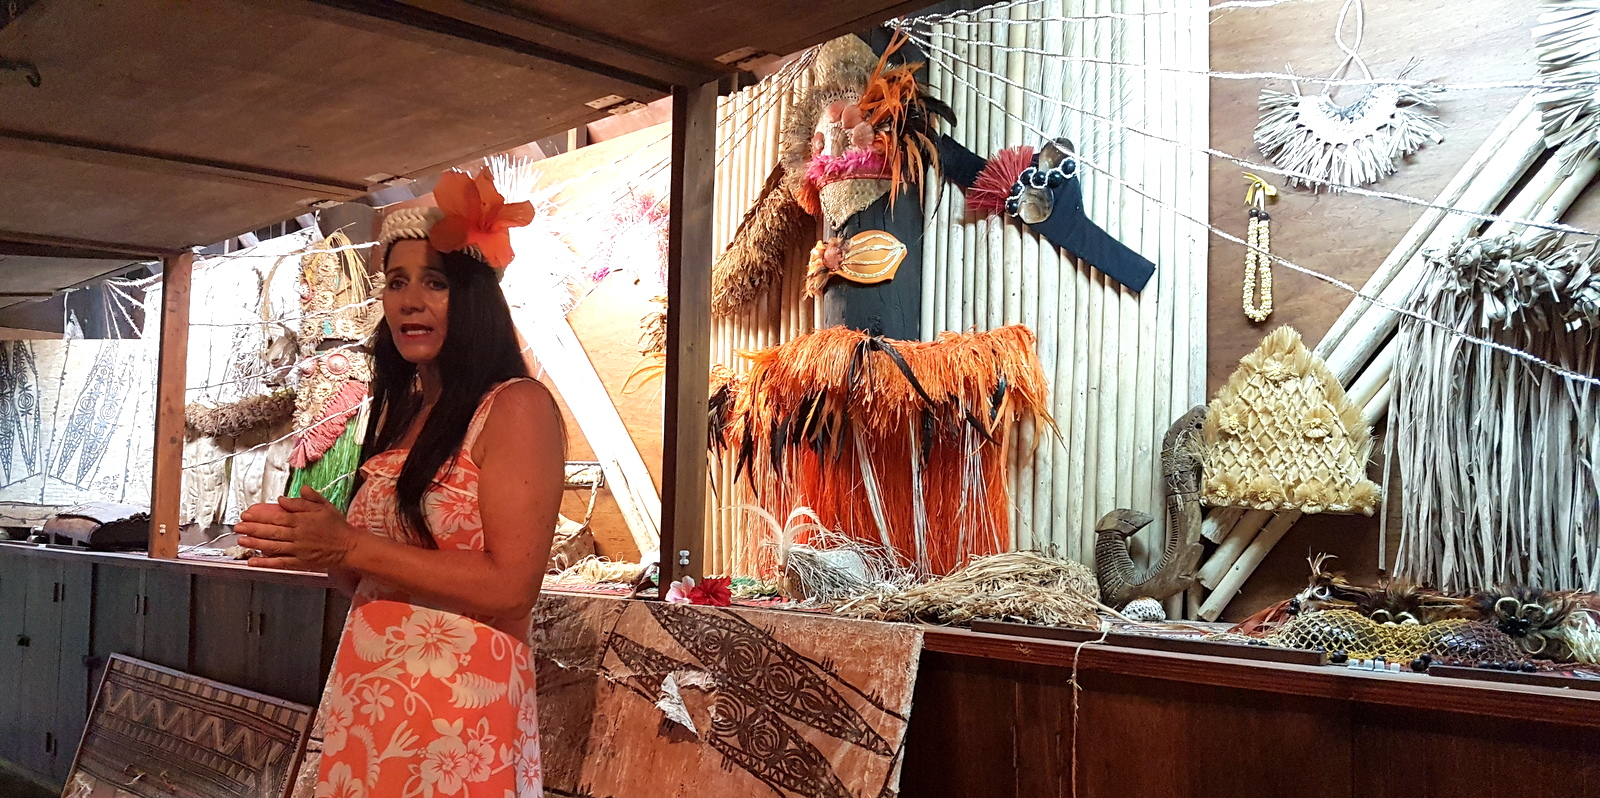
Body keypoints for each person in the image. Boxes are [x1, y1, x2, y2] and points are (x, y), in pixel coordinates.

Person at [237, 168, 564, 798]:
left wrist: (351, 545)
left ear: (473, 298)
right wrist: (311, 545)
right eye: (395, 282)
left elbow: (512, 586)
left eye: (434, 282)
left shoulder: (516, 406)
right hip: (371, 699)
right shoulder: (403, 414)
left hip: (458, 720)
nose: (409, 301)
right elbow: (368, 579)